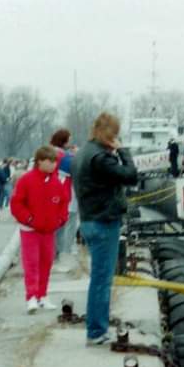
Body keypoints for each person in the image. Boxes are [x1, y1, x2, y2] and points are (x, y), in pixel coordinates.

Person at [73, 112, 138, 344]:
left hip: (89, 220)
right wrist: (122, 151)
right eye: (116, 135)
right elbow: (131, 176)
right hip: (103, 222)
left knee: (99, 278)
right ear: (110, 134)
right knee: (102, 280)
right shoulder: (101, 158)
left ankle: (97, 328)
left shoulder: (83, 153)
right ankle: (96, 331)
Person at [12, 145, 71, 313]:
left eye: (55, 161)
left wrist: (60, 219)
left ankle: (42, 295)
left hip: (49, 230)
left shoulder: (56, 182)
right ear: (39, 162)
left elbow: (63, 202)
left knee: (46, 263)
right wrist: (29, 219)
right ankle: (31, 297)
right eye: (50, 161)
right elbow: (17, 203)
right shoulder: (26, 180)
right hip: (30, 229)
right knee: (31, 263)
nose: (53, 164)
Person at [51, 128, 79, 266]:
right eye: (69, 138)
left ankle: (55, 250)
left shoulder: (50, 152)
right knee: (69, 222)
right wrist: (76, 155)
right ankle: (64, 250)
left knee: (57, 223)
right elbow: (76, 169)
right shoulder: (65, 156)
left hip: (53, 192)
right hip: (66, 191)